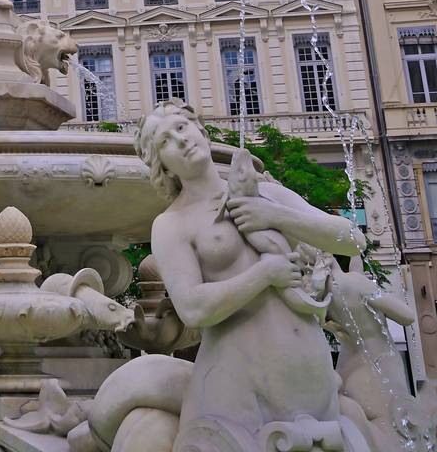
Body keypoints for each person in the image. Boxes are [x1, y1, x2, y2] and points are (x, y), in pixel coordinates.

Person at [135, 100, 370, 451]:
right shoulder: (171, 224)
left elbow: (353, 239)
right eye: (166, 141)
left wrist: (273, 215)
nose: (181, 140)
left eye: (182, 127)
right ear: (163, 165)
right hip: (237, 392)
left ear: (200, 129)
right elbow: (193, 309)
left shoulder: (267, 193)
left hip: (313, 384)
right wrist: (265, 273)